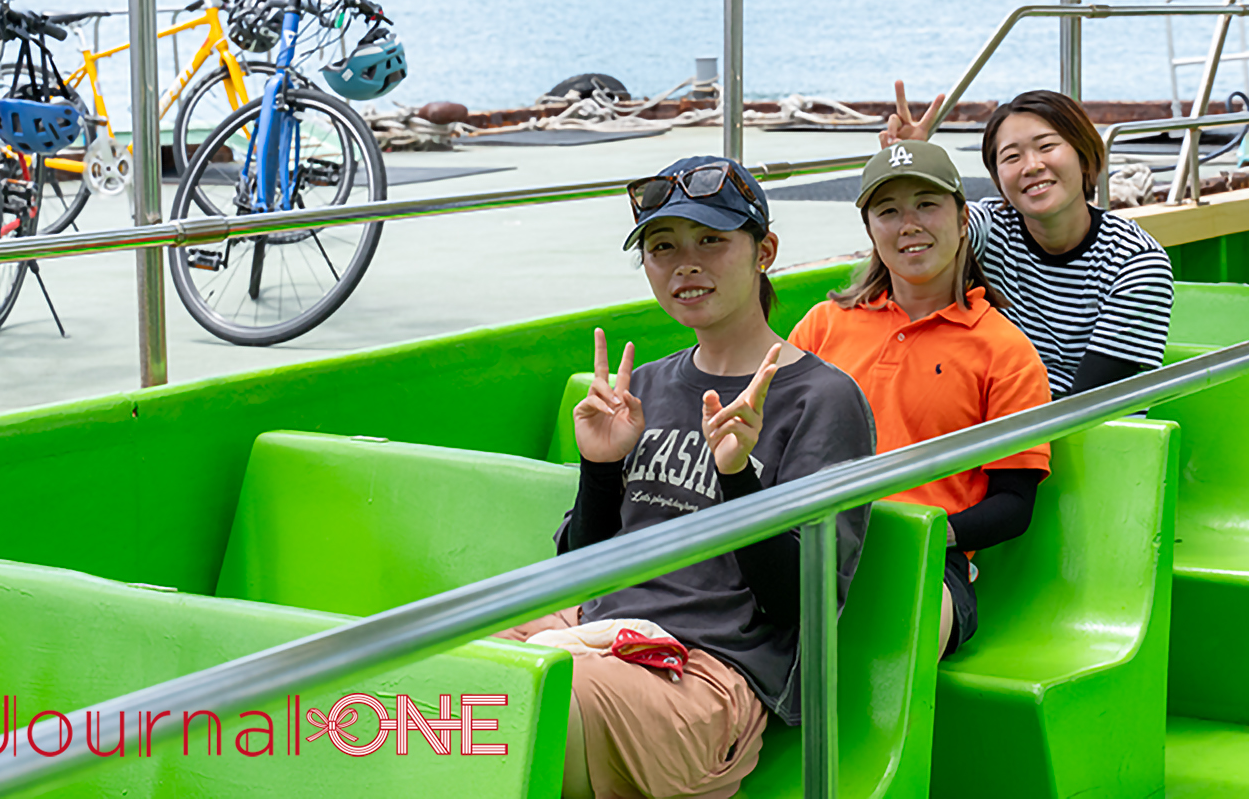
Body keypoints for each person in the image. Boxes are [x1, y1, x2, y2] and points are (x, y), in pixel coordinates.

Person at [498, 156, 876, 799]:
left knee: (518, 704)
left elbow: (801, 605)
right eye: (661, 247)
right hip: (597, 633)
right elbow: (582, 570)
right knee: (425, 676)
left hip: (706, 675)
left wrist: (736, 480)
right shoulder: (640, 387)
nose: (685, 264)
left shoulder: (822, 398)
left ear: (765, 252)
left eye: (711, 241)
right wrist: (600, 466)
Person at [788, 141, 1051, 658]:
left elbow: (1014, 506)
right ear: (870, 232)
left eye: (927, 205)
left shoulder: (1004, 349)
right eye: (888, 211)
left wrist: (921, 538)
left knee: (885, 649)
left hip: (931, 560)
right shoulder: (823, 325)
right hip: (812, 548)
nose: (908, 224)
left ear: (962, 219)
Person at [882, 84, 1175, 398]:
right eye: (1011, 156)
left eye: (1047, 146)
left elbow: (1091, 404)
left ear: (1084, 154)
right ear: (998, 178)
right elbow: (938, 232)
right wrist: (912, 170)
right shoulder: (990, 229)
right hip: (994, 418)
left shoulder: (1136, 263)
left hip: (1085, 436)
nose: (1032, 165)